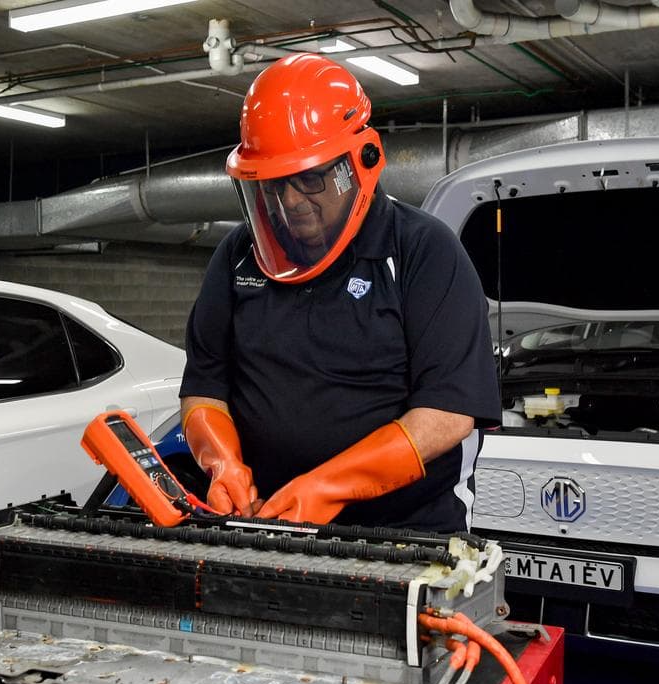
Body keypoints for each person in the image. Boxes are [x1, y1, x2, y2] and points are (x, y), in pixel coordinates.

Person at [179, 53, 500, 533]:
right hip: (267, 520)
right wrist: (222, 462)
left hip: (405, 532)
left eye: (310, 179)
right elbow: (205, 387)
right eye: (273, 184)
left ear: (362, 163)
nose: (290, 202)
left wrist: (329, 485)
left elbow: (447, 415)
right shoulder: (237, 256)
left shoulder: (425, 251)